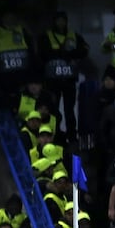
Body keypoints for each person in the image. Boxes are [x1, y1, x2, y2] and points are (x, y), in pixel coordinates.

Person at [37, 11, 89, 142]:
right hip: (52, 80)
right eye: (58, 20)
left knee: (69, 109)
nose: (61, 23)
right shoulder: (46, 36)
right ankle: (55, 133)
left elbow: (85, 50)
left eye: (63, 20)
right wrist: (62, 53)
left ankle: (72, 135)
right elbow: (42, 53)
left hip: (69, 79)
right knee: (53, 108)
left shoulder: (74, 35)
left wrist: (70, 54)